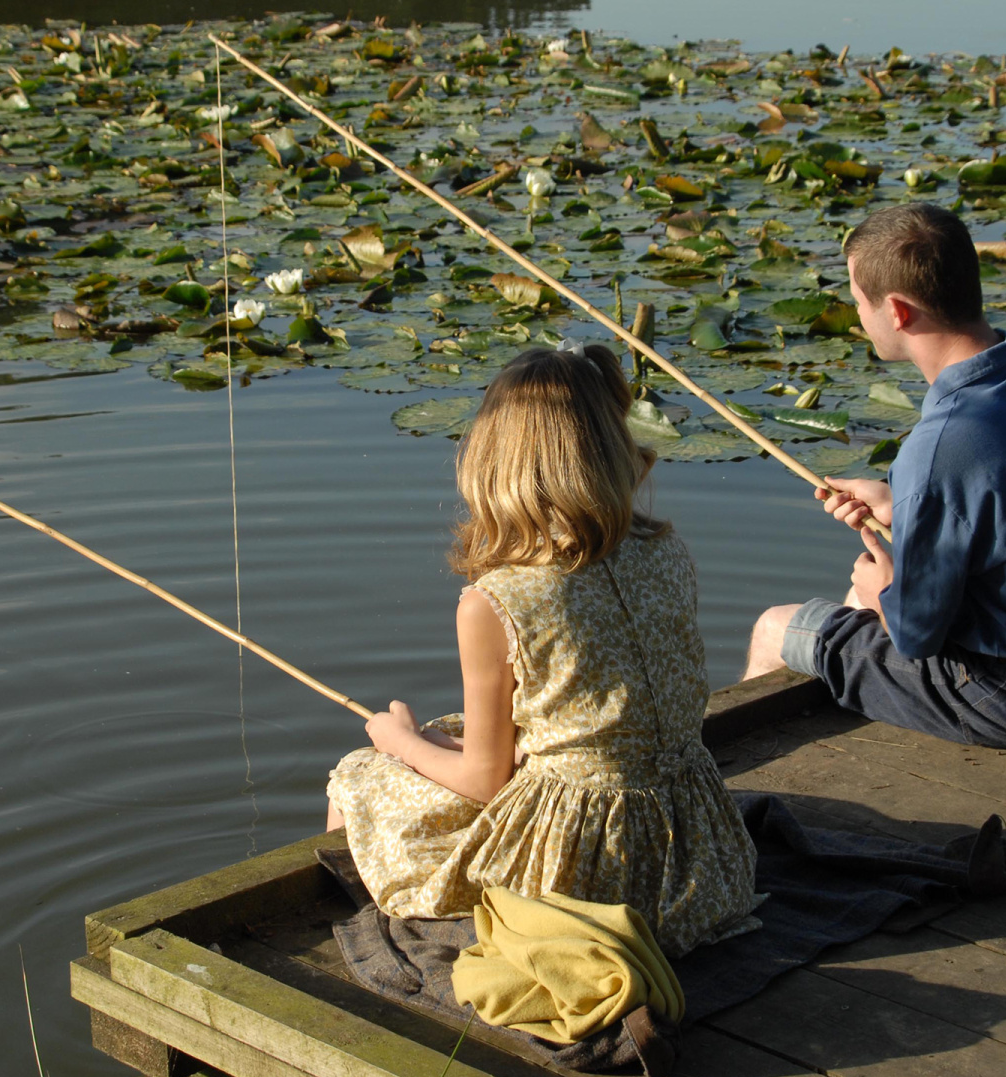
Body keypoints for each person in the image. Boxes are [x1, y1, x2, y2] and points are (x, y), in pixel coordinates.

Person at [326, 344, 762, 958]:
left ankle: (356, 925)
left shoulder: (494, 600)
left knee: (360, 777)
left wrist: (395, 739)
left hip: (584, 880)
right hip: (703, 861)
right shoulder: (666, 552)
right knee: (450, 733)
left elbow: (484, 779)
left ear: (491, 462)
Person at [743, 203, 1006, 749]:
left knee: (778, 626)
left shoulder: (939, 447)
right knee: (856, 608)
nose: (858, 313)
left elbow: (915, 635)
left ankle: (720, 808)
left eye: (860, 301)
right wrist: (898, 502)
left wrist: (883, 591)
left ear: (899, 312)